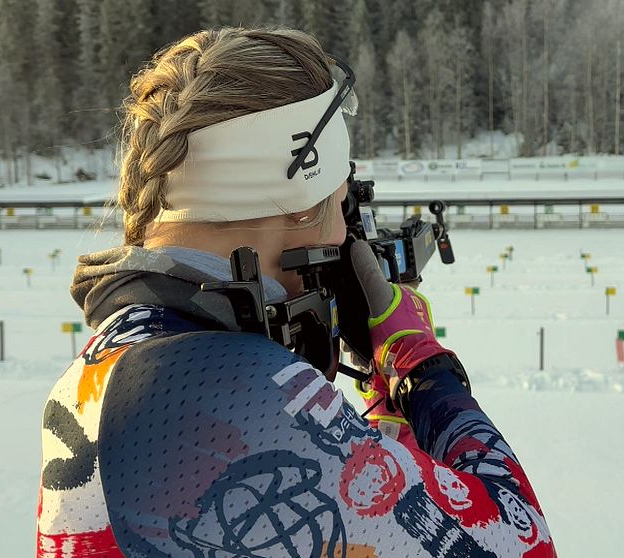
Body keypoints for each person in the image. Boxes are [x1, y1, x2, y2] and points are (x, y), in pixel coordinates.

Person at [36, 27, 555, 558]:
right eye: (339, 205)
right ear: (303, 206)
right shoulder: (215, 388)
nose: (341, 237)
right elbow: (522, 541)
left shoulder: (123, 361)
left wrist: (382, 415)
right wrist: (417, 364)